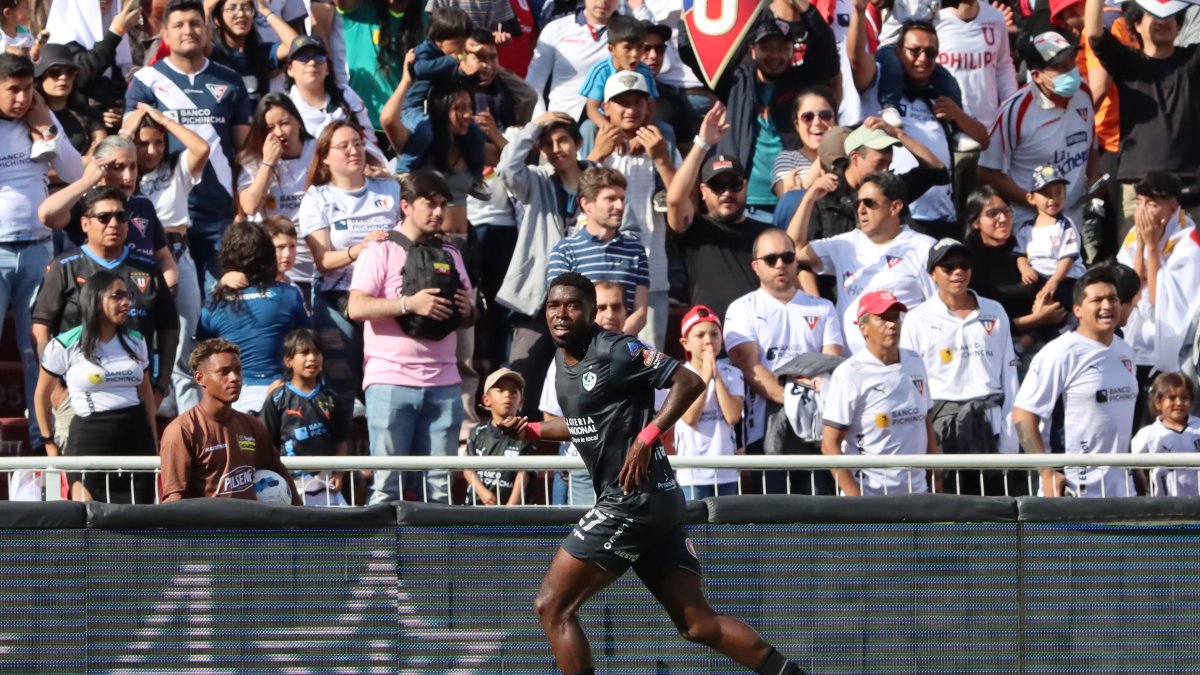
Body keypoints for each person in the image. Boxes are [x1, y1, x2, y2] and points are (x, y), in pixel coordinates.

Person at [498, 272, 808, 675]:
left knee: (552, 607)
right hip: (655, 504)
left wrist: (647, 436)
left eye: (573, 305)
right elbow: (585, 424)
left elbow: (689, 381)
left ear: (591, 312)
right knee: (699, 625)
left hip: (630, 501)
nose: (561, 314)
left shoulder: (617, 349)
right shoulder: (562, 359)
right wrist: (533, 430)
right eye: (554, 306)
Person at [346, 170, 474, 505]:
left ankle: (432, 545)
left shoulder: (452, 253)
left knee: (440, 489)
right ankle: (383, 544)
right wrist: (408, 304)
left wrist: (467, 310)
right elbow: (355, 307)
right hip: (390, 381)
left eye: (443, 204)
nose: (438, 212)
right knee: (386, 486)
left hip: (444, 382)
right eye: (430, 204)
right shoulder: (380, 249)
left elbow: (468, 313)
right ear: (405, 205)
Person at [31, 187, 178, 452]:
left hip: (133, 397)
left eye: (121, 217)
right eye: (104, 217)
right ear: (85, 224)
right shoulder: (65, 267)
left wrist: (161, 386)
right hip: (77, 399)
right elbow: (41, 329)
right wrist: (55, 389)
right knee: (81, 477)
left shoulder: (147, 268)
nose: (114, 224)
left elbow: (169, 327)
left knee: (134, 476)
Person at [125, 0, 253, 292]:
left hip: (218, 212)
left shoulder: (230, 80)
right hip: (164, 216)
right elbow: (128, 142)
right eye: (179, 25)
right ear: (165, 34)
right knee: (167, 303)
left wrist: (242, 206)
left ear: (206, 30)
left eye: (195, 23)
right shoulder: (146, 80)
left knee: (222, 297)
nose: (188, 30)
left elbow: (245, 153)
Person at [0, 52, 85, 450]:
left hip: (38, 248)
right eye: (12, 90)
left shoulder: (40, 119)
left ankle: (41, 438)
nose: (21, 99)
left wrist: (47, 128)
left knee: (39, 349)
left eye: (27, 89)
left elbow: (74, 172)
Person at [297, 120, 398, 434]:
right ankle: (342, 456)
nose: (354, 150)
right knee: (341, 385)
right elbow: (324, 261)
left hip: (385, 299)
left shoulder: (390, 189)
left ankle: (384, 455)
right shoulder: (317, 198)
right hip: (337, 300)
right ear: (325, 157)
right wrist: (359, 249)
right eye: (344, 146)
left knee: (386, 385)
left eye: (358, 143)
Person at [725, 229, 845, 494]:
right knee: (773, 513)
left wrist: (805, 403)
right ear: (756, 266)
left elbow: (831, 364)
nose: (780, 264)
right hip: (764, 428)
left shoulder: (823, 307)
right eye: (771, 259)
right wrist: (794, 400)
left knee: (818, 511)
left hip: (815, 426)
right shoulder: (742, 308)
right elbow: (751, 369)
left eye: (788, 257)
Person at [899, 238, 1019, 496]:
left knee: (994, 509)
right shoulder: (917, 319)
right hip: (942, 429)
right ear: (932, 274)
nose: (958, 272)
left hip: (991, 427)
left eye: (964, 265)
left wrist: (1010, 437)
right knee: (950, 511)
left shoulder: (995, 310)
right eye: (948, 267)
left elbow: (1009, 376)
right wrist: (923, 444)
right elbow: (912, 386)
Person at [1013, 266, 1138, 498]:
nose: (1107, 306)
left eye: (1112, 299)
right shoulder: (1060, 353)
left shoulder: (1125, 351)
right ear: (1077, 309)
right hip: (1072, 491)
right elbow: (1023, 414)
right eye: (1097, 300)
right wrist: (1046, 472)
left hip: (1121, 490)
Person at [34, 270, 157, 503]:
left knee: (138, 518)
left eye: (128, 296)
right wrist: (49, 442)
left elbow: (147, 395)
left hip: (136, 440)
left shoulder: (137, 340)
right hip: (89, 441)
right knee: (89, 517)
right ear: (94, 299)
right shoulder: (65, 344)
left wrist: (153, 440)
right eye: (117, 296)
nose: (126, 302)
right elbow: (41, 396)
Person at [495, 112, 588, 414]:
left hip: (585, 300)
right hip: (539, 298)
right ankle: (519, 443)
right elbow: (507, 168)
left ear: (578, 143)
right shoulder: (537, 180)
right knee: (522, 375)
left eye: (563, 140)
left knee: (582, 382)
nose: (556, 149)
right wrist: (533, 127)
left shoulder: (597, 180)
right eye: (548, 144)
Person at [863, 22, 989, 239]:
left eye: (930, 53)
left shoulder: (941, 93)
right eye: (914, 51)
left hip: (944, 217)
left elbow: (983, 140)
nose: (922, 59)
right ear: (898, 51)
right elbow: (857, 63)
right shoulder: (880, 86)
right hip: (899, 217)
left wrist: (958, 115)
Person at [124, 100, 211, 414]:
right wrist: (127, 130)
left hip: (178, 252)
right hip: (138, 259)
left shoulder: (176, 168)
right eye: (143, 143)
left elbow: (201, 148)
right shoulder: (123, 175)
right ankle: (155, 397)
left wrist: (164, 120)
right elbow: (104, 157)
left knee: (186, 335)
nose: (152, 151)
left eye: (159, 142)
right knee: (141, 332)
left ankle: (189, 415)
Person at [1085, 0, 1200, 235]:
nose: (1162, 21)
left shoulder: (1193, 60)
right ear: (1136, 24)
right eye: (1153, 15)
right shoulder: (1127, 62)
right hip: (1139, 190)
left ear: (1179, 26)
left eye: (1170, 16)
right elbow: (1095, 32)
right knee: (1136, 260)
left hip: (1191, 191)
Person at [793, 170, 937, 354]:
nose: (861, 210)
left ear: (895, 207)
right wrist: (809, 198)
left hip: (904, 363)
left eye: (869, 203)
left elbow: (939, 310)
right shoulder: (845, 244)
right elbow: (794, 251)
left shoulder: (924, 247)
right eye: (857, 203)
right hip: (849, 364)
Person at [715, 13, 839, 223]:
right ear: (753, 50)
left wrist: (805, 8)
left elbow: (826, 50)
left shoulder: (802, 82)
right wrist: (686, 15)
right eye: (766, 47)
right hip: (743, 203)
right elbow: (693, 53)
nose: (774, 55)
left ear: (793, 52)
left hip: (795, 202)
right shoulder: (735, 81)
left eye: (782, 48)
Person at [586, 71, 677, 351]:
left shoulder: (661, 141)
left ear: (648, 106)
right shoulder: (592, 139)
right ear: (606, 107)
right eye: (622, 103)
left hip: (651, 270)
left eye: (637, 102)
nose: (631, 110)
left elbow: (684, 203)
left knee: (648, 359)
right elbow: (575, 200)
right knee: (593, 358)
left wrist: (661, 159)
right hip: (599, 272)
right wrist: (597, 155)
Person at [821, 289, 940, 495]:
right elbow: (829, 444)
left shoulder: (915, 361)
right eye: (883, 318)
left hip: (917, 494)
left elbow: (926, 421)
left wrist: (935, 478)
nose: (892, 324)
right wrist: (857, 500)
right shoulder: (849, 373)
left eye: (895, 317)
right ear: (864, 328)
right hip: (871, 496)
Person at [977, 30, 1097, 230]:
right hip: (1030, 229)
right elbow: (987, 171)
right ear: (1036, 76)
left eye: (1071, 61)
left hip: (1074, 225)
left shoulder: (1083, 92)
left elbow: (1091, 146)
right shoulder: (1015, 110)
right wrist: (1037, 203)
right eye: (1059, 67)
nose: (1070, 71)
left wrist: (1094, 179)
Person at [160, 338, 301, 503]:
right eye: (224, 372)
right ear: (199, 378)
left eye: (238, 370)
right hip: (206, 521)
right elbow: (174, 499)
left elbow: (278, 471)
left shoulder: (252, 425)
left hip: (249, 520)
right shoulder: (182, 430)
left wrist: (301, 515)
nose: (234, 378)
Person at [665, 105, 770, 320]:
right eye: (717, 186)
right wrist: (702, 143)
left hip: (761, 332)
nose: (727, 193)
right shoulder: (695, 230)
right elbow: (675, 199)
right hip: (711, 334)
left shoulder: (767, 235)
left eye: (734, 184)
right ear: (703, 191)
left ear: (745, 186)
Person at [197, 221, 310, 413]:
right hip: (283, 395)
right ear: (269, 255)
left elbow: (201, 356)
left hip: (233, 399)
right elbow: (307, 345)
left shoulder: (213, 302)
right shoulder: (290, 295)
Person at [39, 136, 178, 286]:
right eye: (118, 167)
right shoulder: (83, 204)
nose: (128, 177)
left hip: (138, 296)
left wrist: (165, 287)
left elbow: (163, 256)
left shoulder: (143, 205)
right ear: (100, 170)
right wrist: (86, 181)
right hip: (90, 294)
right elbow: (47, 214)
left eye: (133, 167)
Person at [541, 279, 632, 506]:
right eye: (602, 307)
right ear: (592, 312)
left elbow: (662, 417)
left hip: (629, 468)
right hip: (582, 467)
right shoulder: (563, 357)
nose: (610, 314)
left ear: (626, 311)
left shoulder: (642, 353)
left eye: (616, 307)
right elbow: (551, 417)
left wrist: (642, 443)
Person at [793, 119, 949, 245]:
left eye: (889, 163)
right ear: (855, 158)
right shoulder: (823, 195)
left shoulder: (892, 188)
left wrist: (898, 134)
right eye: (879, 163)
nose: (885, 170)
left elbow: (936, 169)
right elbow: (803, 252)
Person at [545, 166, 649, 337]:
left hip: (624, 346)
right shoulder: (565, 250)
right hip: (580, 348)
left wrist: (614, 344)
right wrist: (593, 346)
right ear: (586, 204)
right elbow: (560, 311)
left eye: (622, 199)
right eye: (611, 199)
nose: (620, 206)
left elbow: (641, 313)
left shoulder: (636, 250)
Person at [961, 186, 1067, 348]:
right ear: (975, 222)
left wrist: (1039, 324)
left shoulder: (1028, 247)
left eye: (1007, 211)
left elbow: (1057, 302)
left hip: (1044, 337)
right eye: (992, 214)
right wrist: (1035, 319)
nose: (1003, 219)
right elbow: (978, 324)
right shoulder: (967, 263)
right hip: (991, 344)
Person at [259, 328, 350, 506]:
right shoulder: (278, 398)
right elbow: (267, 442)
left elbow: (341, 440)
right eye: (304, 353)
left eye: (317, 352)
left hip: (326, 482)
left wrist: (339, 473)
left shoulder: (331, 398)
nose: (312, 358)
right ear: (288, 361)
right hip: (290, 482)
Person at [235, 92, 316, 285]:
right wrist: (268, 163)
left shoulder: (319, 150)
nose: (279, 132)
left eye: (285, 123)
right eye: (270, 128)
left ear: (299, 122)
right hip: (275, 268)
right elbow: (250, 206)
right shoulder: (253, 159)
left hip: (316, 263)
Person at [675, 305, 744, 499]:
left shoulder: (733, 374)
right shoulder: (678, 376)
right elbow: (690, 417)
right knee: (694, 519)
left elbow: (732, 416)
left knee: (727, 520)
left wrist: (717, 377)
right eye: (700, 335)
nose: (708, 340)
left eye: (714, 334)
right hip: (692, 474)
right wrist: (705, 378)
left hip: (726, 471)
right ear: (686, 343)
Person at [1013, 164, 1086, 323]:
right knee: (1025, 296)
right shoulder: (1026, 229)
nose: (1053, 199)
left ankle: (1063, 323)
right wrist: (1025, 268)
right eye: (1046, 194)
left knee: (1062, 299)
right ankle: (1034, 329)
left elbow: (1068, 258)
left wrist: (1054, 281)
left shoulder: (1065, 224)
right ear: (1031, 198)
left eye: (1058, 192)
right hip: (1039, 279)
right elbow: (1020, 254)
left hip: (1066, 279)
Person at [524, 0, 618, 120]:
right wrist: (541, 119)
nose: (603, 1)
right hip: (562, 123)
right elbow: (534, 84)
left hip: (612, 124)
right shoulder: (555, 28)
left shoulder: (632, 31)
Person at [207, 0, 300, 105]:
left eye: (246, 8)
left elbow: (295, 45)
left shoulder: (262, 53)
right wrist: (207, 10)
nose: (241, 14)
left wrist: (265, 11)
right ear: (217, 20)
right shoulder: (212, 53)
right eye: (232, 8)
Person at [463, 367, 533, 506]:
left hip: (511, 512)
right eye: (500, 390)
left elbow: (524, 473)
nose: (507, 395)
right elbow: (467, 468)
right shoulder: (477, 433)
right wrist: (483, 493)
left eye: (514, 391)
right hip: (476, 507)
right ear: (486, 400)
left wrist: (510, 507)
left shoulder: (525, 435)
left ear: (521, 401)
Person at [579, 15, 659, 132]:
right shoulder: (601, 71)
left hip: (637, 121)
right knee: (588, 128)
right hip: (607, 122)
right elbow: (592, 109)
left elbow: (651, 106)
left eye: (640, 47)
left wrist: (643, 132)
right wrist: (612, 132)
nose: (635, 54)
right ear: (612, 50)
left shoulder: (645, 71)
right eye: (627, 48)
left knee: (665, 129)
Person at [1131, 372, 1200, 497]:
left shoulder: (1198, 428)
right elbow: (1135, 466)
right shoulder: (1148, 434)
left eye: (1184, 398)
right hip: (1165, 504)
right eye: (1172, 398)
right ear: (1158, 402)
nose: (1179, 403)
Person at [33, 44, 105, 161]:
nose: (63, 77)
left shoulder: (90, 114)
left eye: (70, 72)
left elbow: (102, 156)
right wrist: (86, 160)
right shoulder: (31, 117)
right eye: (55, 72)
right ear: (40, 77)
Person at [772, 87, 839, 197]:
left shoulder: (849, 156)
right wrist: (825, 155)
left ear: (836, 120)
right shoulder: (787, 159)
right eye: (807, 117)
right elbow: (788, 202)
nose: (817, 122)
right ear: (797, 125)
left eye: (825, 115)